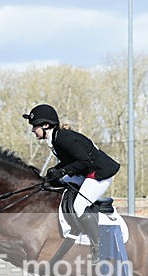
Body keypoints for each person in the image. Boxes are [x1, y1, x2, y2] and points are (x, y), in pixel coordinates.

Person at [23, 103, 119, 260]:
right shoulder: (55, 137)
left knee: (79, 205)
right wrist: (55, 171)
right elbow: (72, 160)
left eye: (35, 126)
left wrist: (62, 171)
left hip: (100, 172)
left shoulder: (63, 138)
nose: (33, 130)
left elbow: (84, 161)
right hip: (85, 170)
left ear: (46, 125)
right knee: (49, 184)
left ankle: (99, 245)